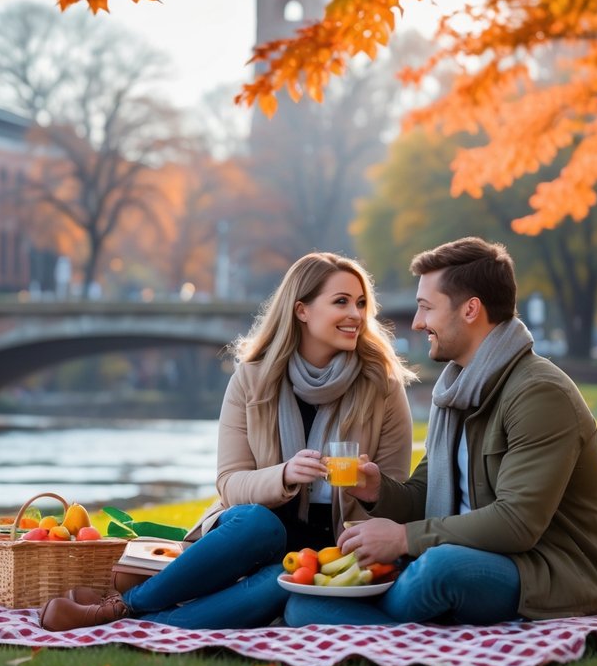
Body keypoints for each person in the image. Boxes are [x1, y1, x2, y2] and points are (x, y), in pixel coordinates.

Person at [39, 252, 416, 631]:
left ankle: (131, 618)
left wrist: (371, 490)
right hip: (247, 541)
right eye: (341, 301)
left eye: (362, 303)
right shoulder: (251, 380)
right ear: (301, 310)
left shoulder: (382, 388)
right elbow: (230, 484)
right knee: (257, 522)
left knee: (280, 582)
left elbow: (396, 502)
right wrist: (284, 475)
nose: (356, 313)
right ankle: (127, 604)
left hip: (328, 554)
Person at [284, 237, 597, 627]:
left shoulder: (538, 392)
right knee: (306, 605)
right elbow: (425, 495)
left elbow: (516, 524)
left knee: (440, 566)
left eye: (426, 308)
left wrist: (404, 540)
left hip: (548, 573)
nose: (416, 322)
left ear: (471, 310)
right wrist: (377, 492)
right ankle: (364, 617)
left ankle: (362, 618)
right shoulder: (458, 390)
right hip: (478, 556)